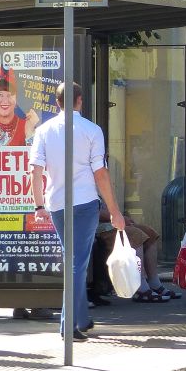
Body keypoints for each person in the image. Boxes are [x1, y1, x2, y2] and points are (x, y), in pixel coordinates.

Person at [30, 82, 126, 341]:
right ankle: (68, 323)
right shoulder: (92, 130)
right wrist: (115, 211)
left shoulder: (44, 131)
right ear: (80, 100)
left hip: (57, 204)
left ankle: (81, 318)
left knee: (74, 260)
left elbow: (36, 171)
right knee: (77, 263)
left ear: (57, 102)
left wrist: (39, 205)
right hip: (84, 203)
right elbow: (100, 173)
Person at [96, 203, 181, 302]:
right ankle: (140, 287)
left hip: (113, 223)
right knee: (136, 235)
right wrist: (118, 217)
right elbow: (93, 212)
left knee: (150, 233)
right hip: (100, 228)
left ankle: (154, 283)